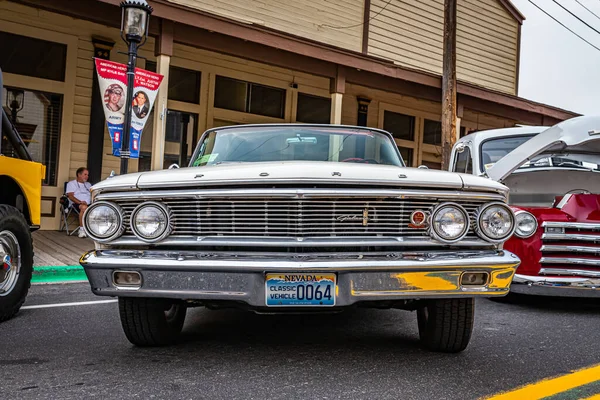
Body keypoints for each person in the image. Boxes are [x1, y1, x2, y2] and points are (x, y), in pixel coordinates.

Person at [66, 167, 92, 238]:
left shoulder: (88, 184)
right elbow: (70, 196)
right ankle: (82, 230)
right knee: (84, 207)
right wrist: (80, 202)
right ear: (79, 175)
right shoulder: (71, 184)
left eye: (88, 175)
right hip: (77, 204)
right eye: (85, 174)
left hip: (89, 203)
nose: (87, 176)